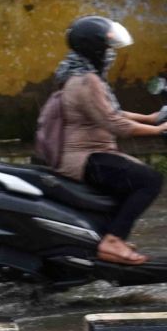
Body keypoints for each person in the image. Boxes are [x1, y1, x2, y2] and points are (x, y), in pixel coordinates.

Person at [55, 15, 167, 265]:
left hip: (87, 154)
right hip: (85, 158)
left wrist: (150, 119)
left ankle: (107, 235)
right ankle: (113, 241)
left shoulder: (78, 75)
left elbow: (109, 112)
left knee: (133, 178)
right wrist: (158, 131)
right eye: (107, 49)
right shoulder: (87, 80)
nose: (111, 55)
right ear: (94, 48)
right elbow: (114, 123)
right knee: (149, 180)